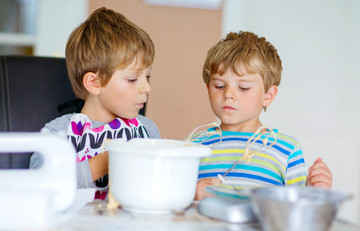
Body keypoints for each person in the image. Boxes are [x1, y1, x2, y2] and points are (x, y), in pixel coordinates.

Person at [30, 7, 160, 199]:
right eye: (133, 79)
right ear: (94, 83)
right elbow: (38, 182)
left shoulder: (147, 131)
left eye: (147, 76)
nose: (147, 88)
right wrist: (104, 163)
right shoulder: (58, 134)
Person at [192, 31, 332, 200]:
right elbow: (174, 207)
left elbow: (299, 210)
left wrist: (315, 192)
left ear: (268, 95)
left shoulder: (286, 149)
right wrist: (194, 196)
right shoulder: (192, 147)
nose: (228, 94)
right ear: (208, 89)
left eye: (243, 87)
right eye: (219, 86)